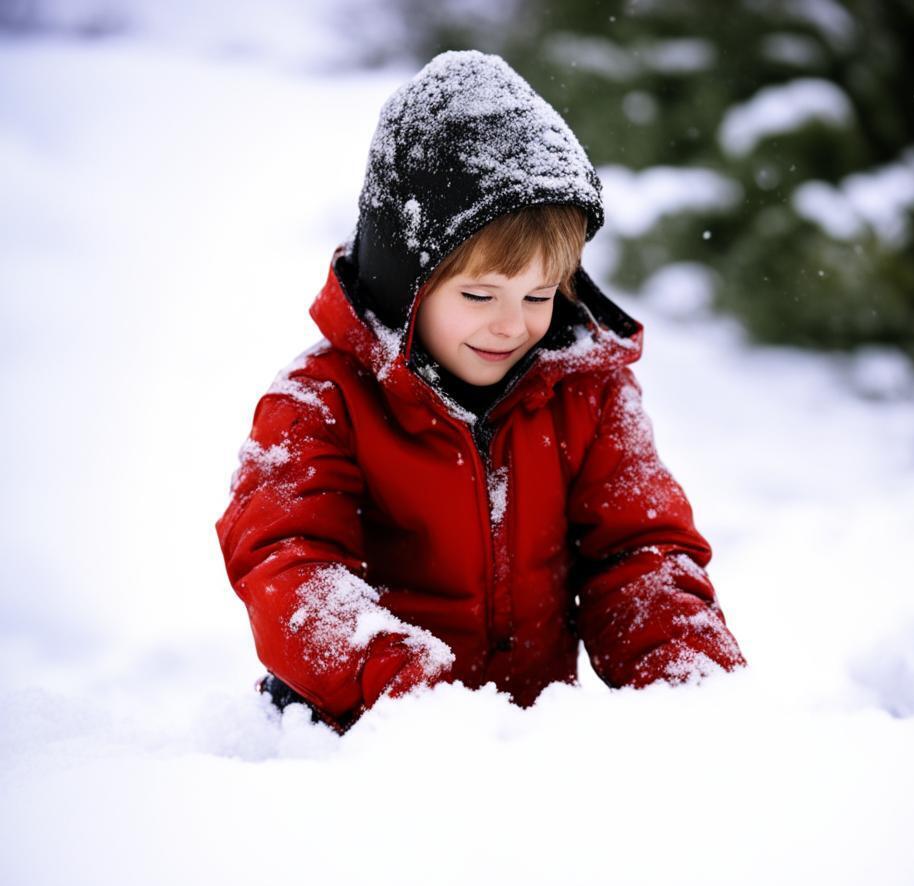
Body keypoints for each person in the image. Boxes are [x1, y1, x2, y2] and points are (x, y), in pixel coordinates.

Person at [215, 50, 745, 735]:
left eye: (539, 294)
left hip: (519, 748)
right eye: (478, 294)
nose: (513, 323)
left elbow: (639, 555)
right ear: (405, 281)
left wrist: (686, 683)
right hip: (359, 744)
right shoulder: (320, 405)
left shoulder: (586, 393)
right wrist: (410, 696)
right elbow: (289, 563)